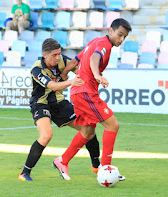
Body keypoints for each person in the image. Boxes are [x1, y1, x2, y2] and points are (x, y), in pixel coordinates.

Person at [52, 18, 132, 181]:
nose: (121, 39)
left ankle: (62, 161)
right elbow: (94, 59)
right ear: (111, 31)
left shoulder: (95, 41)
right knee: (113, 124)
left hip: (78, 92)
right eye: (120, 34)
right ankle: (106, 168)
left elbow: (76, 60)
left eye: (124, 37)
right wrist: (96, 75)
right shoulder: (105, 45)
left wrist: (64, 74)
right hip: (85, 92)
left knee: (88, 132)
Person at [18, 38, 101, 181]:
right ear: (45, 55)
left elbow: (80, 68)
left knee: (88, 129)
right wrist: (71, 81)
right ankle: (24, 173)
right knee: (46, 135)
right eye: (54, 55)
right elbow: (52, 86)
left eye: (59, 54)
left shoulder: (62, 60)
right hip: (41, 104)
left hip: (59, 103)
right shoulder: (37, 69)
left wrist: (93, 75)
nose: (58, 58)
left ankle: (97, 166)